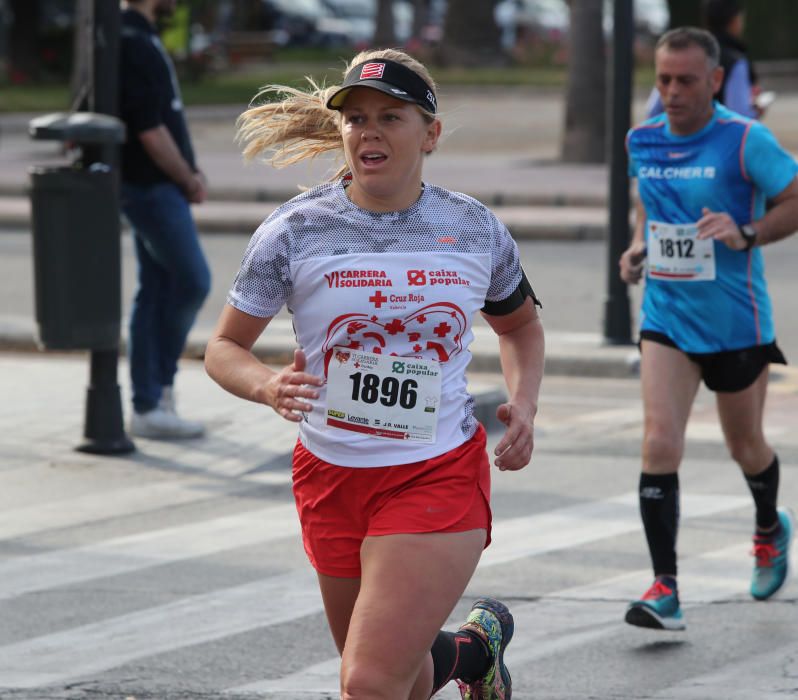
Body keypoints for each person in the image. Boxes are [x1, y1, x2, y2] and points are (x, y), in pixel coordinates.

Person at [205, 48, 544, 698]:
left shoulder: (473, 229)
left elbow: (521, 327)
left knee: (366, 681)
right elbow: (223, 348)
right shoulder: (295, 231)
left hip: (436, 469)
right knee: (401, 676)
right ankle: (475, 655)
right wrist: (265, 384)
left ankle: (469, 655)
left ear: (431, 134)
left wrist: (524, 404)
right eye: (357, 118)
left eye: (391, 116)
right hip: (330, 476)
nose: (370, 132)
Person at [620, 27, 798, 631]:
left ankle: (771, 527)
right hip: (667, 316)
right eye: (663, 79)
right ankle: (664, 587)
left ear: (715, 81)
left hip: (736, 322)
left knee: (744, 446)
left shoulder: (746, 140)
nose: (670, 92)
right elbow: (648, 208)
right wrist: (637, 248)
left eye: (685, 81)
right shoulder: (641, 140)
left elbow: (795, 197)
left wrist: (748, 233)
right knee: (659, 441)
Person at [119, 0, 211, 439]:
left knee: (156, 289)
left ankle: (154, 401)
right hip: (150, 187)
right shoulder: (131, 39)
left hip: (157, 186)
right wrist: (187, 177)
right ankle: (152, 395)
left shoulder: (141, 36)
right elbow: (149, 129)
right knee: (192, 281)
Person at [645, 0, 765, 120]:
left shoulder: (688, 54)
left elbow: (654, 111)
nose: (673, 91)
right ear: (734, 21)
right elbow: (740, 116)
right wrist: (755, 113)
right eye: (665, 80)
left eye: (686, 81)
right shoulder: (736, 61)